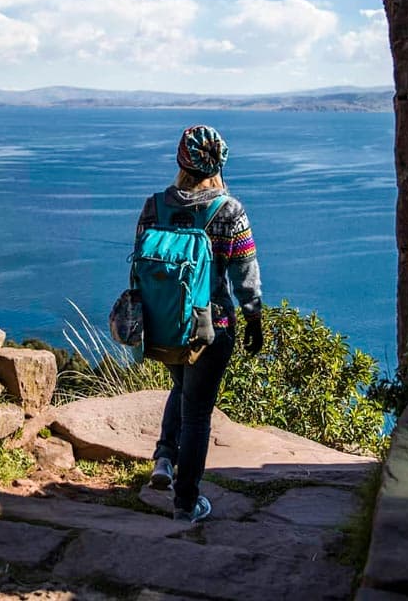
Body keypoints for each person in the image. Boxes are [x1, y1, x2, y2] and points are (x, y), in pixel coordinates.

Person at [136, 124, 263, 524]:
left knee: (181, 387)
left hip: (163, 324)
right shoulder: (229, 210)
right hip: (212, 325)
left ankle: (164, 459)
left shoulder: (155, 205)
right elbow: (245, 275)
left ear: (180, 160)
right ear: (220, 163)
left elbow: (140, 267)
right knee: (197, 415)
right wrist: (255, 318)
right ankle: (185, 504)